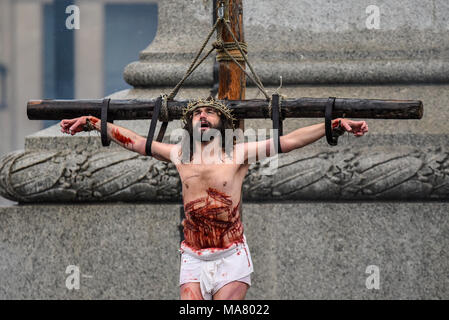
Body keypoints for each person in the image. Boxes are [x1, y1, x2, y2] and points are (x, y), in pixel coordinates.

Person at [60, 98, 368, 300]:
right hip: (193, 256)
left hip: (230, 257)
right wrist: (94, 121)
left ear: (222, 123)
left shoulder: (239, 153)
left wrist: (335, 125)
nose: (202, 116)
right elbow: (137, 141)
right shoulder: (179, 154)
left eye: (209, 112)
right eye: (196, 114)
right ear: (189, 125)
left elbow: (288, 141)